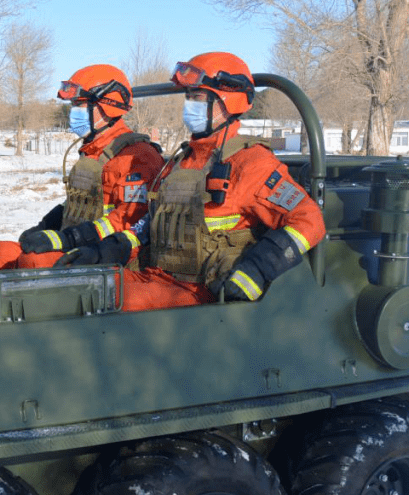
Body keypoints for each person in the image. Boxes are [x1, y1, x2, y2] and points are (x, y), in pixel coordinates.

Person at [58, 51, 326, 310]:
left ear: (227, 102)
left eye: (198, 97)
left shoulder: (252, 163)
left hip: (202, 291)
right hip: (158, 277)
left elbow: (309, 220)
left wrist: (257, 269)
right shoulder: (183, 159)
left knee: (99, 302)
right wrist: (115, 246)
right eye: (189, 97)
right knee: (73, 288)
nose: (190, 106)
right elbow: (155, 218)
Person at [0, 64, 164, 287]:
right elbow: (81, 202)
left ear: (109, 106)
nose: (74, 112)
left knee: (33, 262)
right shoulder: (91, 150)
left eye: (79, 105)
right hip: (71, 246)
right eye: (73, 105)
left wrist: (71, 238)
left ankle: (30, 318)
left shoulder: (137, 155)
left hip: (103, 258)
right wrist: (47, 224)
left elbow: (131, 220)